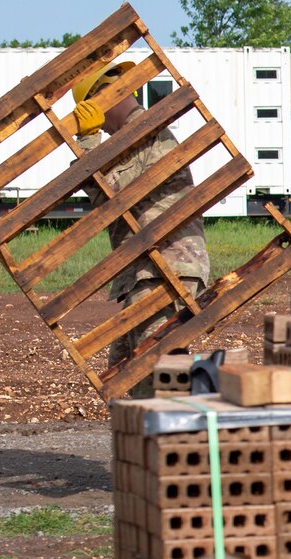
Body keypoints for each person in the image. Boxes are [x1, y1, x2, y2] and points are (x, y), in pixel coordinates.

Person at [70, 62, 211, 372]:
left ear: (104, 97)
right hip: (149, 269)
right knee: (122, 375)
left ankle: (179, 419)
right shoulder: (134, 136)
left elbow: (110, 195)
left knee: (151, 376)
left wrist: (89, 142)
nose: (100, 125)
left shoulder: (145, 133)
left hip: (165, 268)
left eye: (91, 112)